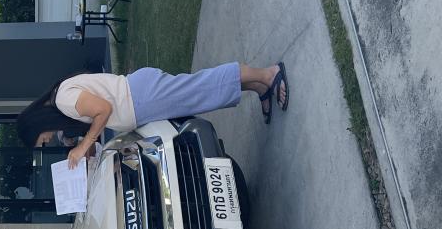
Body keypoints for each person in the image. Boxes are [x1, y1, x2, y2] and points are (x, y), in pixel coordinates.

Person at [17, 61, 289, 168]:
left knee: (203, 87)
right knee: (204, 94)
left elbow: (104, 109)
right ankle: (259, 87)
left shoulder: (63, 100)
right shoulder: (61, 99)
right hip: (142, 100)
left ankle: (269, 74)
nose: (47, 141)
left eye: (41, 141)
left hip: (143, 98)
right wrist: (85, 147)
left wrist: (83, 146)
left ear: (37, 126)